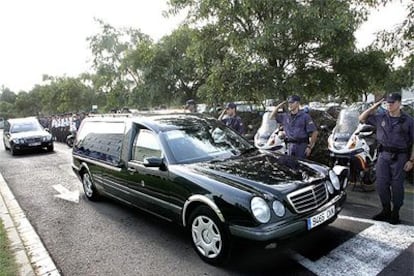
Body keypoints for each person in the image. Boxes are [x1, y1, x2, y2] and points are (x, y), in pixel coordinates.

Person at [359, 92, 414, 224]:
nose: (389, 105)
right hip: (383, 155)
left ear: (399, 103)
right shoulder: (381, 116)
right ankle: (385, 210)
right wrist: (373, 107)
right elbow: (361, 119)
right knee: (381, 184)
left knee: (397, 186)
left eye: (392, 102)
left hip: (400, 157)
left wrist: (411, 160)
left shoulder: (408, 121)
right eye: (388, 102)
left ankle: (395, 212)